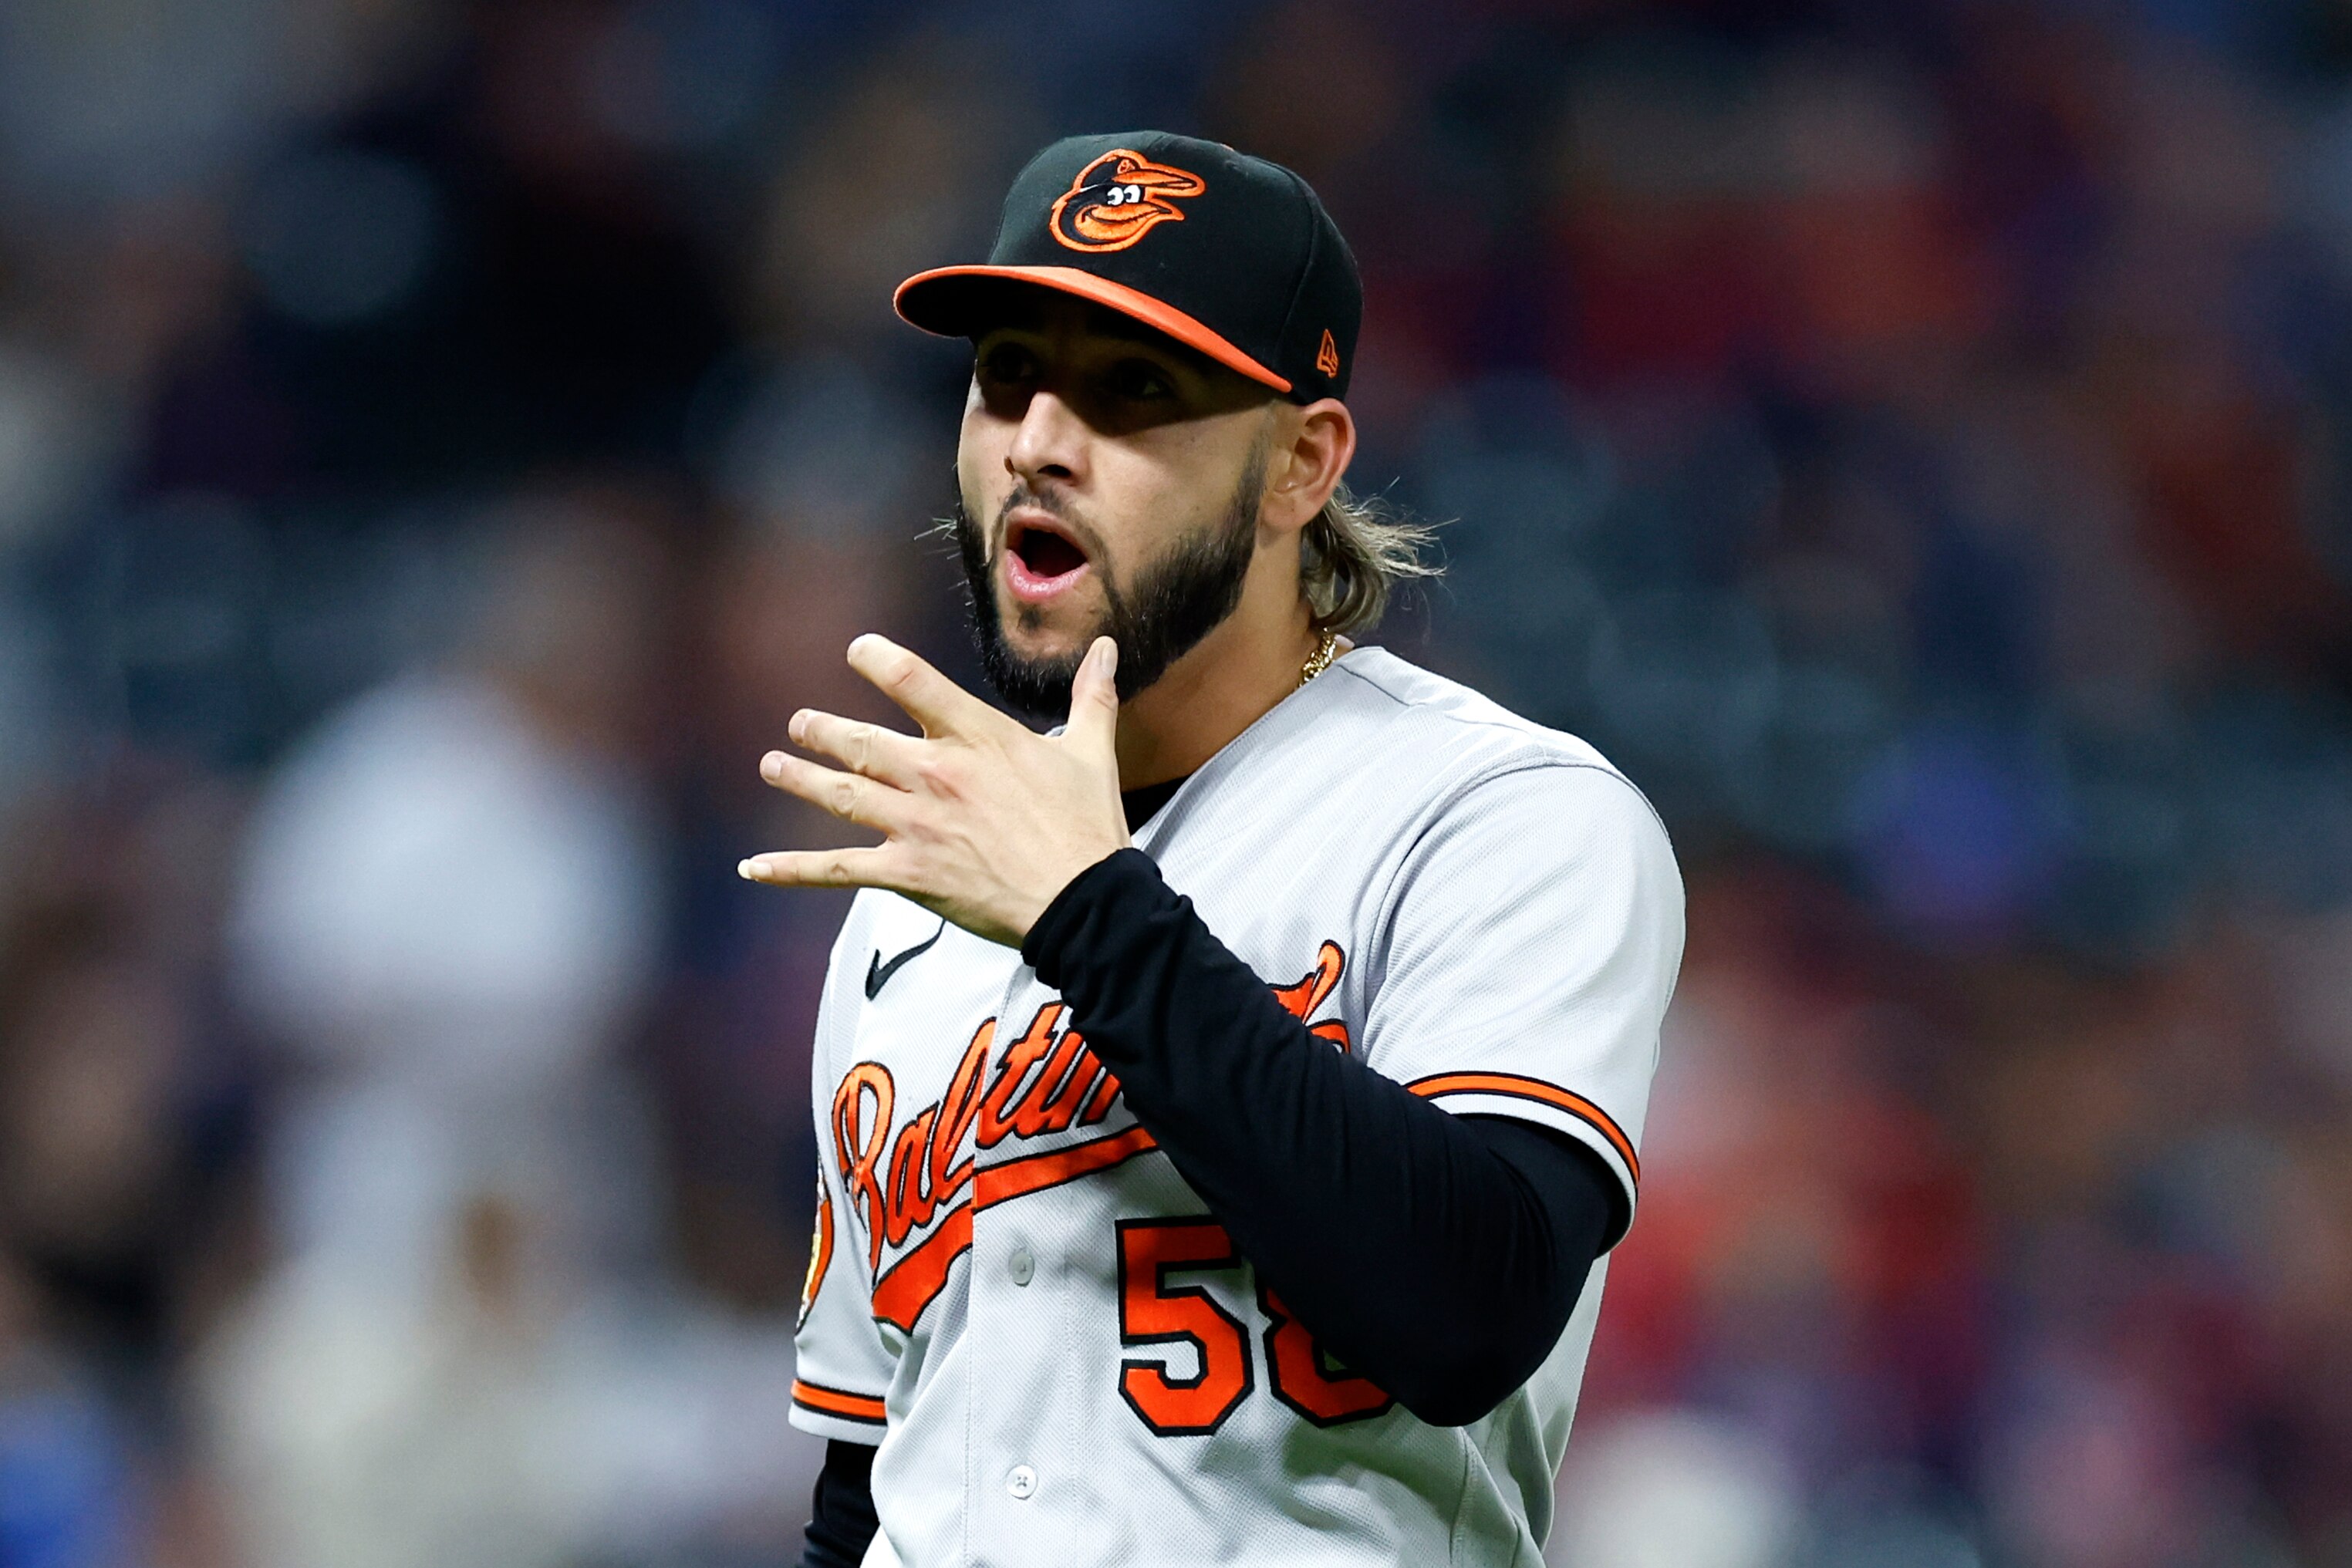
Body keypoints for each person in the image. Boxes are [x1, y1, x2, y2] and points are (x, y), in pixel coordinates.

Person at [742, 132, 1684, 1567]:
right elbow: (867, 1483)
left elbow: (1465, 1308)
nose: (1040, 442)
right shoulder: (915, 898)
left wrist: (1086, 913)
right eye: (1007, 376)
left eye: (1134, 389)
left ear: (1300, 463)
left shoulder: (1495, 816)